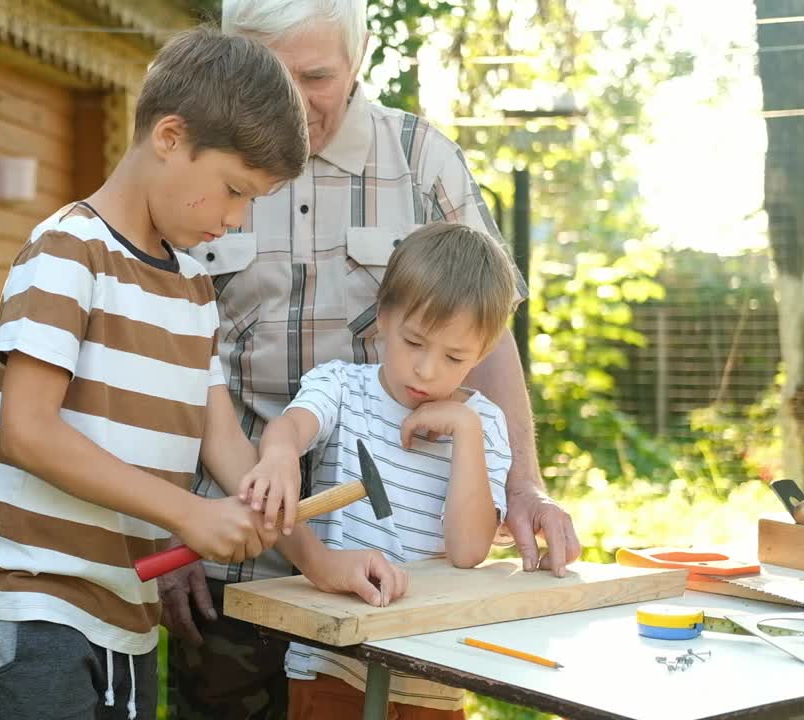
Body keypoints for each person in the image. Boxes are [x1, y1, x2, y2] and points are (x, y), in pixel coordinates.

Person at [162, 2, 583, 718]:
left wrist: (525, 482)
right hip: (222, 541)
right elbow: (163, 349)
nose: (291, 101)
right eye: (269, 74)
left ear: (358, 62)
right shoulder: (201, 162)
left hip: (383, 567)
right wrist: (162, 515)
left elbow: (489, 332)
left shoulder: (422, 160)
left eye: (316, 76)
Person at [0, 27, 310, 720]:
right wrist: (187, 514)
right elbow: (26, 432)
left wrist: (275, 494)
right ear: (170, 137)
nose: (236, 221)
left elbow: (223, 446)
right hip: (36, 603)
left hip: (130, 613)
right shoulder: (67, 254)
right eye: (233, 191)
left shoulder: (195, 289)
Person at [246, 222, 519, 719]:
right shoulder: (342, 388)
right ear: (385, 318)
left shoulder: (485, 427)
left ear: (483, 350)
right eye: (415, 342)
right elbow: (290, 429)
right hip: (332, 660)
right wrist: (280, 455)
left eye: (454, 356)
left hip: (433, 672)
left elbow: (467, 551)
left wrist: (466, 431)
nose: (427, 370)